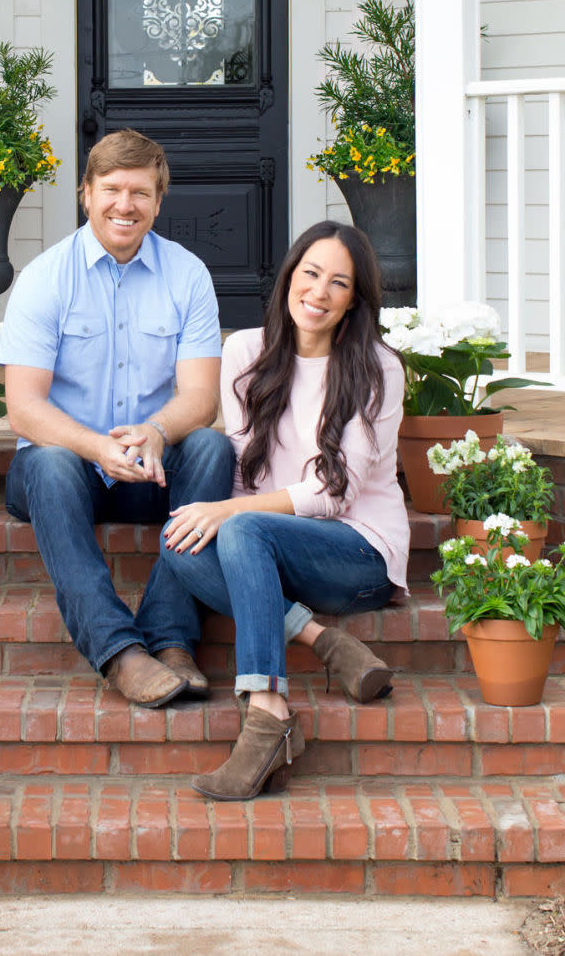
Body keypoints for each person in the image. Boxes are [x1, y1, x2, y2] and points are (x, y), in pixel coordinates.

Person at [158, 221, 410, 799]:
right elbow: (248, 473)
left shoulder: (378, 368)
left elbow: (337, 491)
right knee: (180, 546)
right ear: (291, 276)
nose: (319, 292)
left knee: (236, 523)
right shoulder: (245, 351)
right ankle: (325, 641)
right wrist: (228, 516)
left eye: (338, 283)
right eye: (311, 273)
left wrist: (230, 514)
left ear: (354, 300)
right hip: (276, 544)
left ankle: (267, 712)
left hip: (358, 552)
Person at [0, 128, 234, 708]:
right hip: (65, 474)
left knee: (211, 449)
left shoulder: (187, 276)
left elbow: (202, 396)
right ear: (86, 194)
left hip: (147, 471)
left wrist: (156, 431)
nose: (125, 205)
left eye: (141, 193)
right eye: (112, 189)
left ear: (158, 200)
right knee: (50, 462)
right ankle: (119, 652)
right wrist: (94, 447)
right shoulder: (45, 278)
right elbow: (23, 408)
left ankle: (171, 637)